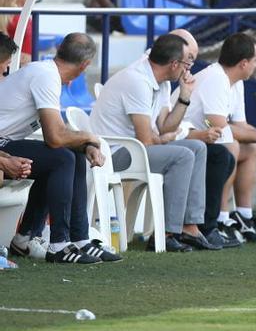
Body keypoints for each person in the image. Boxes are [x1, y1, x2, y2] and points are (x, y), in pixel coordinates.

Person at [90, 33, 218, 251]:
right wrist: (164, 139)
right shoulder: (137, 81)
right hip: (111, 153)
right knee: (183, 155)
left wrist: (185, 96)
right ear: (174, 64)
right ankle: (166, 233)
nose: (188, 69)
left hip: (133, 148)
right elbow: (147, 140)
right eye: (187, 62)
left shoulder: (163, 81)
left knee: (197, 148)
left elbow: (167, 126)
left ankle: (190, 226)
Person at [2, 33, 121, 264]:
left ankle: (76, 240)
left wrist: (85, 144)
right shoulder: (46, 75)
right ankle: (59, 244)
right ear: (85, 65)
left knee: (71, 156)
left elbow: (58, 132)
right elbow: (55, 138)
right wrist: (92, 138)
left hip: (5, 141)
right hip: (1, 144)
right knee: (61, 159)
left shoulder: (46, 72)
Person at [179, 32, 256, 244]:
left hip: (207, 137)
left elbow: (240, 125)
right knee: (230, 146)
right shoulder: (216, 79)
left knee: (253, 148)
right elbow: (217, 124)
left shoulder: (237, 82)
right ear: (243, 63)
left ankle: (244, 217)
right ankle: (221, 219)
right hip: (185, 137)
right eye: (255, 61)